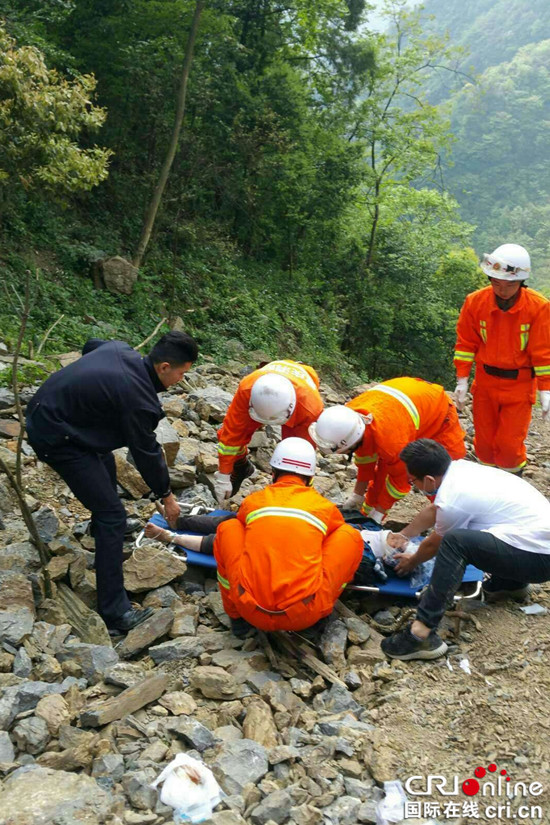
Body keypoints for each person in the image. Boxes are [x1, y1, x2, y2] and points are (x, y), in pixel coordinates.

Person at [26, 331, 198, 635]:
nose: (181, 380)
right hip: (54, 435)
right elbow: (146, 453)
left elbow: (91, 345)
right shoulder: (139, 399)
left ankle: (100, 527)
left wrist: (88, 391)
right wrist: (167, 495)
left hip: (51, 410)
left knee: (104, 459)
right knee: (113, 516)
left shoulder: (120, 350)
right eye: (181, 373)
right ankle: (115, 613)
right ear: (164, 367)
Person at [381, 439, 550, 661]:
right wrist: (403, 535)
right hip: (537, 546)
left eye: (413, 481)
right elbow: (435, 510)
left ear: (429, 479)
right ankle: (510, 584)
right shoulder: (459, 470)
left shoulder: (454, 498)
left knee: (455, 542)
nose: (413, 485)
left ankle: (421, 633)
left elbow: (434, 543)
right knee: (488, 528)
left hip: (538, 560)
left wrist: (412, 561)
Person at [211, 437, 363, 637]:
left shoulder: (253, 502)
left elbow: (245, 531)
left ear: (273, 474)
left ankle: (236, 619)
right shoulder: (324, 508)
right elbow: (334, 537)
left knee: (228, 527)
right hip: (305, 614)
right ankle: (321, 612)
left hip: (248, 609)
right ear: (310, 479)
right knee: (350, 535)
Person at [309, 377, 465, 523]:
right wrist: (357, 495)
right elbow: (365, 459)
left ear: (349, 443)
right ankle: (365, 513)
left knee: (441, 478)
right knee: (383, 475)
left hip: (438, 416)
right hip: (405, 412)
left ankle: (453, 524)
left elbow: (401, 481)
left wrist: (379, 512)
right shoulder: (352, 419)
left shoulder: (391, 443)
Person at [454, 243, 550, 474]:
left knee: (509, 446)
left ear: (521, 282)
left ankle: (512, 482)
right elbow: (466, 343)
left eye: (509, 284)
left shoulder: (538, 307)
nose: (502, 290)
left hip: (519, 386)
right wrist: (462, 380)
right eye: (496, 283)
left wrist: (545, 390)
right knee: (484, 445)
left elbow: (543, 352)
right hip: (485, 383)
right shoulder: (475, 302)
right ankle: (487, 486)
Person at [214, 360, 323, 503]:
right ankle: (241, 466)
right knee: (230, 435)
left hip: (302, 396)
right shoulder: (247, 389)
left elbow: (303, 457)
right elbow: (231, 435)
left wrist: (301, 496)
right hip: (261, 393)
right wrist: (223, 476)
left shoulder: (310, 408)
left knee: (295, 453)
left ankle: (293, 492)